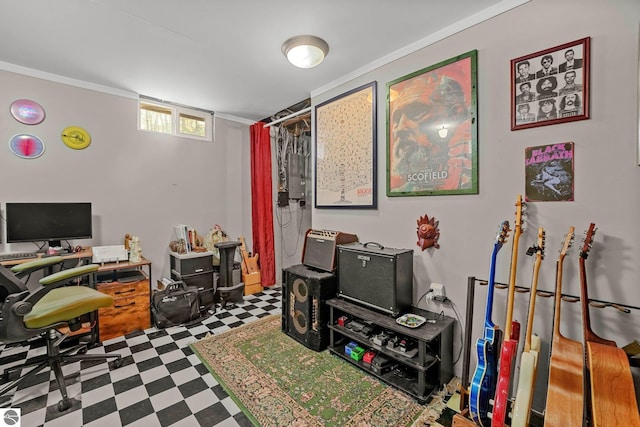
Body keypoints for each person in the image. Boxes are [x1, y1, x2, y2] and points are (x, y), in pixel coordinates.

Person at [390, 73, 472, 192]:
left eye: (416, 111)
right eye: (396, 119)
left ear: (455, 114)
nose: (400, 128)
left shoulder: (467, 178)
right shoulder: (403, 190)